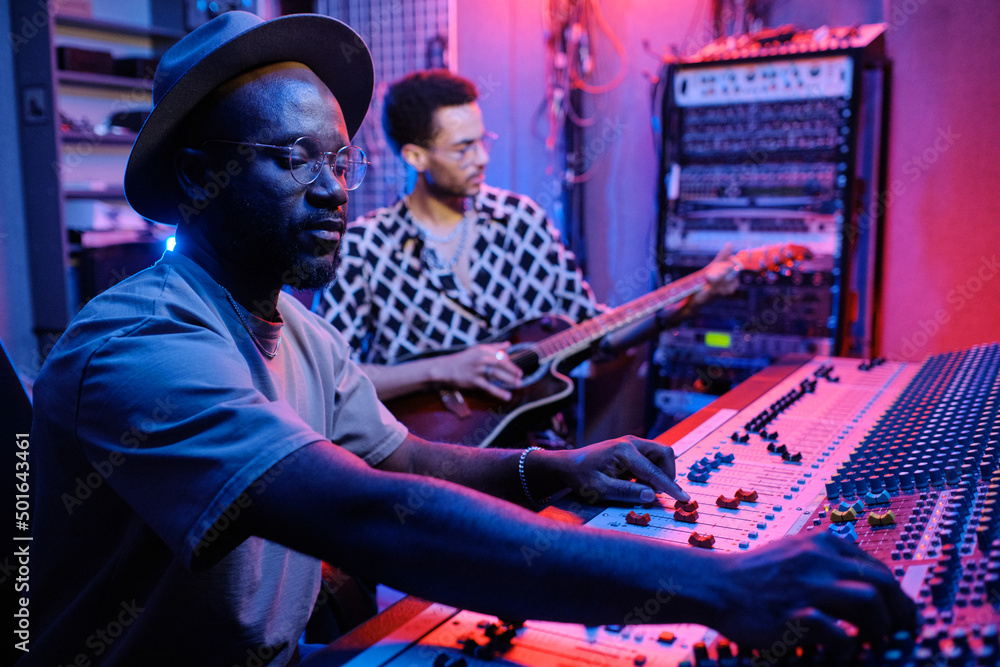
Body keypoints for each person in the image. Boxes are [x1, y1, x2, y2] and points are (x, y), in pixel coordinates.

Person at [24, 11, 914, 666]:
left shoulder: (300, 330)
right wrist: (721, 584)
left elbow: (402, 460)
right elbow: (363, 510)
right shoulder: (139, 344)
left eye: (341, 160)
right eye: (293, 159)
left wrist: (549, 470)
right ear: (198, 176)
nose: (335, 189)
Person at [316, 69, 735, 416]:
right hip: (421, 459)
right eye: (463, 148)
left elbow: (596, 334)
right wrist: (444, 370)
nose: (482, 158)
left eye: (482, 141)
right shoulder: (365, 248)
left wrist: (686, 305)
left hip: (529, 450)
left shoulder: (521, 222)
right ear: (416, 157)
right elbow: (331, 379)